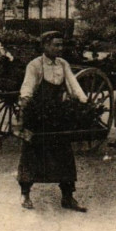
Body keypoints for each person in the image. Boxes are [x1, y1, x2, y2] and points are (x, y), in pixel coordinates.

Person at [16, 31, 89, 212]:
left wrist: (84, 102)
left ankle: (68, 196)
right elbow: (28, 86)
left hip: (57, 116)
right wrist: (25, 102)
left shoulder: (63, 64)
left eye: (61, 45)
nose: (59, 48)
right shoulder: (35, 65)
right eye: (56, 45)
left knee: (65, 154)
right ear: (45, 45)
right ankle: (25, 194)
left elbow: (73, 84)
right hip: (39, 116)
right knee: (31, 154)